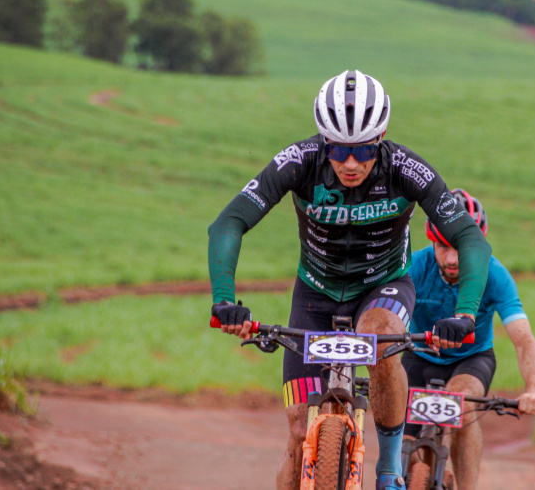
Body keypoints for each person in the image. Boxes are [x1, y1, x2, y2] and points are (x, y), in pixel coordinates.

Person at [208, 70, 493, 490]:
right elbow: (229, 222)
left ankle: (389, 464)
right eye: (339, 150)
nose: (351, 163)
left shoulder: (406, 168)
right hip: (314, 295)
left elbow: (470, 239)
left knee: (379, 342)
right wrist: (224, 299)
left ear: (380, 139)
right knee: (297, 433)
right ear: (324, 142)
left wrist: (466, 314)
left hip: (384, 286)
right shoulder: (298, 162)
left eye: (363, 150)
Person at [402, 189, 535, 490]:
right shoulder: (414, 267)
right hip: (418, 356)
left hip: (471, 360)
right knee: (402, 439)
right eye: (444, 246)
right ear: (432, 240)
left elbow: (523, 339)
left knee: (461, 404)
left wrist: (534, 389)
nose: (454, 258)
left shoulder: (495, 275)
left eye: (463, 248)